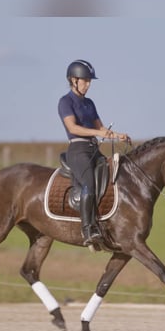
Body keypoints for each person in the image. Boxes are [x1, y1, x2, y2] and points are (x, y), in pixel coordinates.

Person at [57, 59, 130, 247]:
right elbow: (73, 127)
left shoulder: (90, 103)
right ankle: (88, 229)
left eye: (90, 81)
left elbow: (102, 128)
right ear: (73, 80)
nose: (88, 85)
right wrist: (98, 133)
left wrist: (118, 136)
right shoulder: (65, 102)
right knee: (88, 183)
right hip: (77, 150)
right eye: (85, 81)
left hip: (94, 149)